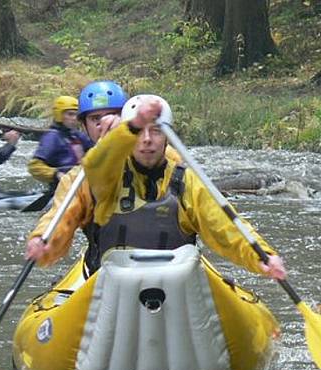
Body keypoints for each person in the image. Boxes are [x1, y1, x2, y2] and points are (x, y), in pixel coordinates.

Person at [26, 93, 286, 282]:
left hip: (176, 287)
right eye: (140, 132)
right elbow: (64, 212)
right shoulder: (100, 177)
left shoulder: (185, 180)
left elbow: (225, 226)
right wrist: (44, 241)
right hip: (108, 286)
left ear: (167, 136)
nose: (147, 140)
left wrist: (262, 255)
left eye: (156, 132)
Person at [24, 80, 128, 263]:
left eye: (112, 115)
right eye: (95, 119)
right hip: (107, 272)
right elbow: (61, 217)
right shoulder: (75, 179)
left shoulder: (157, 154)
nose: (104, 123)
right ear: (85, 125)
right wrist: (43, 238)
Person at [27, 95, 93, 192]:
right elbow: (34, 166)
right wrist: (56, 174)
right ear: (59, 115)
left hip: (82, 186)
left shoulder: (77, 135)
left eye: (76, 114)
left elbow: (96, 151)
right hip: (61, 190)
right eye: (70, 114)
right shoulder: (52, 137)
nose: (74, 118)